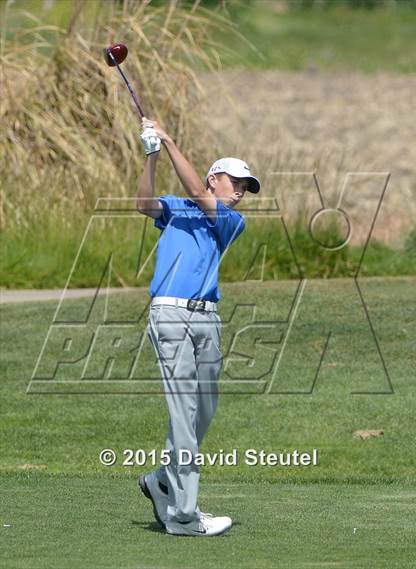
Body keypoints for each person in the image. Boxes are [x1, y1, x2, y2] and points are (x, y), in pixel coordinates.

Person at [136, 117, 260, 537]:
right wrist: (152, 157)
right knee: (184, 412)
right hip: (170, 315)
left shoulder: (229, 221)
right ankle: (185, 516)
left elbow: (196, 192)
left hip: (207, 319)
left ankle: (162, 481)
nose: (241, 191)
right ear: (215, 178)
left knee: (203, 410)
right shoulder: (178, 207)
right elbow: (144, 204)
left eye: (246, 186)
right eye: (236, 182)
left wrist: (168, 140)